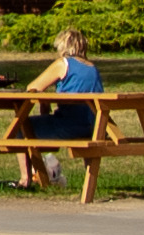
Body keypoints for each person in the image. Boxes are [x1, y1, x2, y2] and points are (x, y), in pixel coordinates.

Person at [17, 27, 103, 192]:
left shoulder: (63, 64)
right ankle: (89, 184)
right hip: (93, 126)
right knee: (32, 129)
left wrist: (44, 103)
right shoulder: (92, 68)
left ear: (64, 46)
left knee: (21, 128)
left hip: (69, 125)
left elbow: (33, 87)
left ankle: (25, 179)